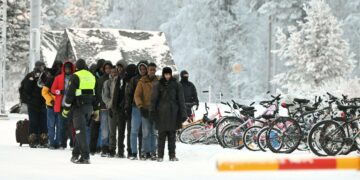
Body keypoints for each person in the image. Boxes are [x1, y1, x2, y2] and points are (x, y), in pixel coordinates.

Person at [62, 59, 97, 164]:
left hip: (78, 108)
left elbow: (69, 94)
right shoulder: (92, 76)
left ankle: (85, 157)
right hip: (89, 108)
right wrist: (96, 109)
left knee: (80, 132)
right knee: (80, 130)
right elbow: (96, 93)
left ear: (76, 67)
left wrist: (66, 109)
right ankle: (75, 154)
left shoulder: (75, 76)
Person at [150, 67, 187, 162]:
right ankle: (160, 156)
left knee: (172, 136)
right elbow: (154, 100)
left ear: (171, 74)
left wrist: (183, 113)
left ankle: (172, 156)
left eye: (168, 74)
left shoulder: (177, 85)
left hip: (173, 114)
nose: (167, 76)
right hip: (161, 113)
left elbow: (181, 100)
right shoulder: (158, 85)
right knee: (161, 136)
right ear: (163, 74)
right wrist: (152, 112)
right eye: (165, 74)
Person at [21, 61, 48, 148]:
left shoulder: (46, 76)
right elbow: (24, 88)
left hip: (44, 103)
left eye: (42, 67)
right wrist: (27, 100)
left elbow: (49, 86)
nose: (41, 68)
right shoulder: (30, 76)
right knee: (33, 122)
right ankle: (33, 140)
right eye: (40, 67)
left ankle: (44, 140)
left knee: (44, 122)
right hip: (33, 103)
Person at [134, 62, 158, 161]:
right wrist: (140, 107)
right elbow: (137, 95)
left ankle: (153, 152)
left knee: (154, 132)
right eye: (150, 69)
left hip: (155, 110)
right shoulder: (142, 81)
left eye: (153, 69)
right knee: (146, 132)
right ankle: (145, 152)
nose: (152, 71)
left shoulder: (158, 81)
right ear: (147, 70)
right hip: (145, 110)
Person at [125, 60, 148, 160]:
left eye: (144, 69)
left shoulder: (150, 80)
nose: (142, 70)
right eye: (141, 69)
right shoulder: (134, 80)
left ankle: (142, 152)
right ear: (138, 69)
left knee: (144, 131)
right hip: (135, 108)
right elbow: (128, 94)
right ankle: (133, 152)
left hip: (146, 107)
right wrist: (127, 107)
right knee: (134, 131)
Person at [51, 61, 76, 149]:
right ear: (63, 69)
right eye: (66, 68)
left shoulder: (75, 77)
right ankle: (62, 144)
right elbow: (53, 90)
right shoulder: (58, 78)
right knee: (62, 126)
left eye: (69, 68)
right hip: (61, 105)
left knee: (72, 126)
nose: (67, 70)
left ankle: (73, 144)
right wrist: (60, 92)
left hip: (72, 105)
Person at [106, 60, 128, 157]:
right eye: (117, 67)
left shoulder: (126, 79)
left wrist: (124, 105)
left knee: (121, 131)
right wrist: (111, 106)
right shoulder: (115, 80)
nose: (119, 69)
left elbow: (127, 94)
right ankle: (112, 150)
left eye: (120, 67)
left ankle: (121, 151)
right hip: (114, 108)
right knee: (112, 131)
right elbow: (112, 95)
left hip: (123, 108)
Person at [42, 60, 63, 149]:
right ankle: (53, 142)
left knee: (55, 125)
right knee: (53, 125)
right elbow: (44, 92)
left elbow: (44, 92)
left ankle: (55, 143)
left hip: (56, 106)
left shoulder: (52, 78)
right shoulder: (51, 79)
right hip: (52, 106)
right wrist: (52, 101)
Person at [96, 61, 113, 157]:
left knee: (112, 128)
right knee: (104, 128)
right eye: (106, 68)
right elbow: (98, 93)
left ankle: (111, 147)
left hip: (112, 108)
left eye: (109, 68)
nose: (108, 70)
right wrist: (102, 103)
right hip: (103, 107)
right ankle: (104, 147)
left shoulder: (115, 79)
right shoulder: (101, 80)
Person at [122, 64, 137, 157]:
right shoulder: (135, 80)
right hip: (132, 107)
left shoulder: (126, 81)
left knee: (131, 130)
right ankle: (132, 150)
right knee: (133, 130)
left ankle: (130, 150)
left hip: (129, 107)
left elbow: (126, 96)